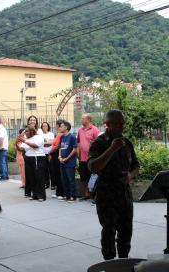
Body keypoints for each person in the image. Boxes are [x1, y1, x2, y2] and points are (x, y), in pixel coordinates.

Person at [88, 110, 139, 260]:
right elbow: (93, 167)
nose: (122, 127)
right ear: (107, 124)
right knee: (109, 233)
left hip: (125, 195)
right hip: (107, 195)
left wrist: (130, 175)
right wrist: (112, 149)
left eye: (123, 124)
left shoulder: (127, 143)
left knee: (126, 232)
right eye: (118, 124)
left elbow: (136, 166)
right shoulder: (99, 143)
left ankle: (123, 262)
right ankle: (111, 267)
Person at [17, 126, 46, 201]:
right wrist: (17, 143)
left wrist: (24, 141)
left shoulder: (38, 137)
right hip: (28, 158)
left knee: (39, 177)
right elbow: (21, 149)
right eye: (25, 132)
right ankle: (35, 195)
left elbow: (35, 146)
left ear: (32, 131)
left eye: (27, 131)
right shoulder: (27, 139)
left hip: (37, 158)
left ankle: (41, 196)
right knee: (31, 177)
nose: (25, 133)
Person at [77, 113, 99, 201]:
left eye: (83, 118)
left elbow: (98, 144)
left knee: (93, 177)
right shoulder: (80, 130)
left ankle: (94, 195)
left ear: (88, 120)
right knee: (84, 177)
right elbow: (78, 142)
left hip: (91, 159)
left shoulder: (95, 130)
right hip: (82, 158)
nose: (81, 120)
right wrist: (78, 154)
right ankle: (86, 194)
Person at [59, 121, 78, 203]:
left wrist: (66, 158)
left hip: (69, 162)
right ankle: (67, 196)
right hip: (62, 161)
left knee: (71, 180)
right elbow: (60, 147)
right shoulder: (61, 137)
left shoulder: (72, 137)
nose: (60, 128)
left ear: (66, 127)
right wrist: (59, 156)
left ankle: (73, 197)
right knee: (64, 179)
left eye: (62, 126)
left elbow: (74, 150)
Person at [49, 119, 65, 199]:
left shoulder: (61, 134)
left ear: (58, 125)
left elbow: (58, 146)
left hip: (57, 155)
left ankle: (61, 193)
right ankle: (58, 192)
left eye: (56, 125)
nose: (55, 126)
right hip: (54, 155)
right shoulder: (58, 134)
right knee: (56, 174)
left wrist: (50, 151)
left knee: (59, 174)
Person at [41, 122, 54, 188]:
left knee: (51, 169)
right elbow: (40, 143)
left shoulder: (51, 134)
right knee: (44, 169)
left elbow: (51, 142)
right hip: (42, 154)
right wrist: (46, 143)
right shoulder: (40, 135)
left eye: (46, 126)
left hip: (50, 153)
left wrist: (44, 143)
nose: (44, 127)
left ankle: (53, 184)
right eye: (43, 126)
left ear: (48, 127)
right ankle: (46, 183)